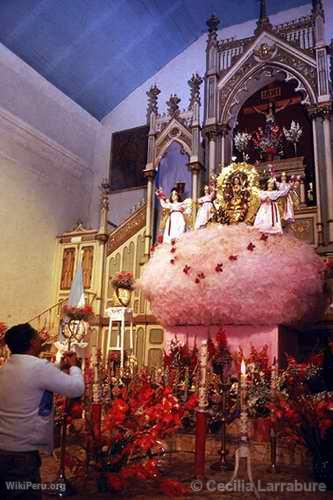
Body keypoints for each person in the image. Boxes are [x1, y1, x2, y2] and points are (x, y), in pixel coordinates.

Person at [0, 323, 84, 499]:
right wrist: (75, 367)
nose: (41, 340)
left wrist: (61, 365)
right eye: (38, 337)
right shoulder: (39, 368)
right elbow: (76, 389)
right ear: (32, 342)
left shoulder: (6, 368)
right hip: (22, 456)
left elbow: (36, 374)